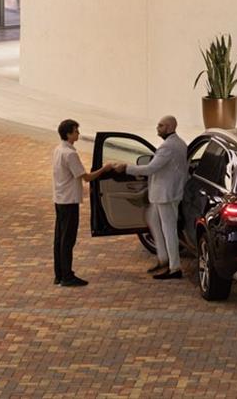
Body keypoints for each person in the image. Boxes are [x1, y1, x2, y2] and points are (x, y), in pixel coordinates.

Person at [113, 114, 187, 279]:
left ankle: (174, 267)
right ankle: (163, 259)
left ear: (169, 128)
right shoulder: (179, 144)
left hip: (165, 195)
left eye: (160, 126)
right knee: (153, 220)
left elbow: (150, 169)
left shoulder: (167, 147)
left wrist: (126, 168)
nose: (157, 128)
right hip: (167, 194)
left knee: (169, 230)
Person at [52, 118, 114, 287]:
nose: (78, 133)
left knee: (59, 238)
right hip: (69, 201)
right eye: (76, 131)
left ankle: (59, 273)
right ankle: (67, 275)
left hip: (60, 198)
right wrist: (104, 169)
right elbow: (86, 177)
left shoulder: (58, 150)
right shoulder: (70, 154)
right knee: (68, 239)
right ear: (69, 134)